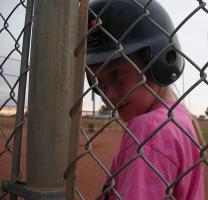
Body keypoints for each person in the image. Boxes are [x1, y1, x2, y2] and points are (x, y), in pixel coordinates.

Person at [86, 0, 206, 199]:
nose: (109, 94)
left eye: (116, 73)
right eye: (98, 81)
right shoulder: (179, 119)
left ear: (157, 61)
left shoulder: (149, 130)